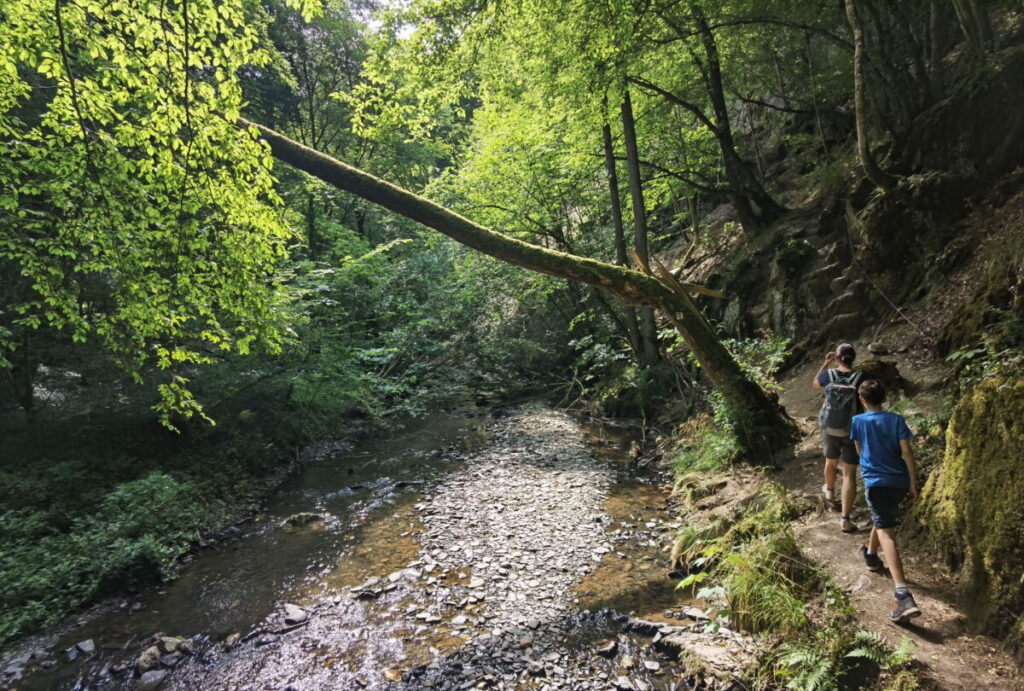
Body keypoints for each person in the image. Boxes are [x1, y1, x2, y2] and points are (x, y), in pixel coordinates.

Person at [849, 379, 922, 624]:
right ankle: (870, 554)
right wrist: (913, 483)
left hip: (876, 481)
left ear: (862, 399)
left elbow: (859, 452)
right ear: (884, 397)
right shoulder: (897, 420)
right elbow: (906, 453)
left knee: (886, 533)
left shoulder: (858, 421)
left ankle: (902, 594)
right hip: (899, 480)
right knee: (882, 519)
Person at [811, 343, 862, 532]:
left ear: (837, 358)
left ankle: (830, 492)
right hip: (851, 430)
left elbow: (815, 384)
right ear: (853, 358)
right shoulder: (860, 377)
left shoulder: (828, 375)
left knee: (830, 461)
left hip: (829, 428)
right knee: (849, 474)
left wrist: (826, 363)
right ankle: (845, 520)